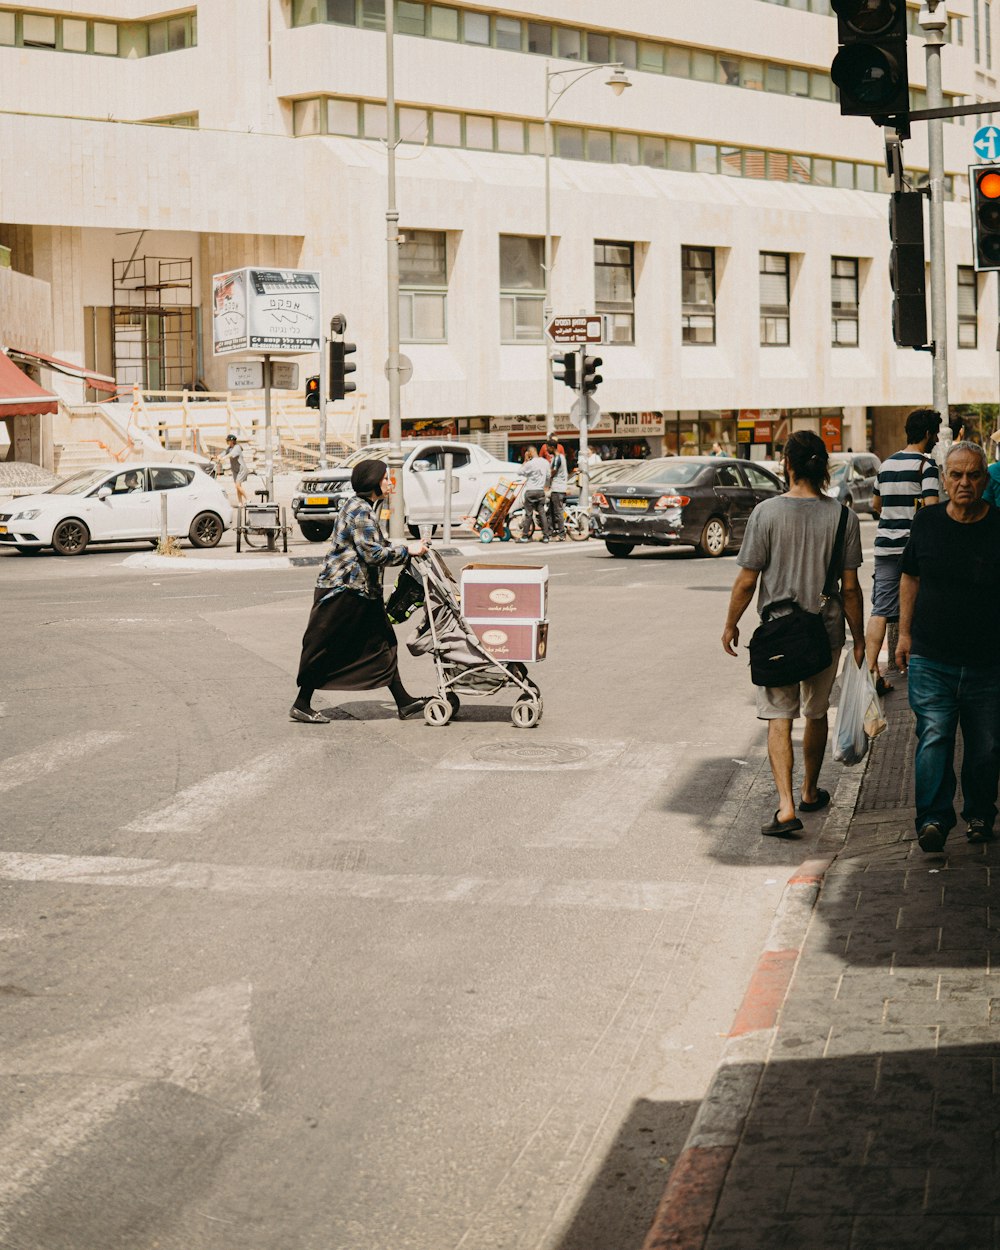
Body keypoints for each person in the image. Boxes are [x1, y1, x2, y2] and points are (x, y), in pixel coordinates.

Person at [722, 430, 865, 837]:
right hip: (826, 631)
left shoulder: (765, 514)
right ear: (824, 468)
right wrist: (860, 639)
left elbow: (747, 582)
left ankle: (786, 808)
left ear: (787, 464)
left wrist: (731, 623)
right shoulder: (843, 517)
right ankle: (809, 789)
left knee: (779, 718)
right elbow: (851, 588)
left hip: (779, 634)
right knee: (816, 711)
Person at [896, 441, 1000, 851]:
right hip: (930, 656)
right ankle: (933, 819)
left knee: (987, 745)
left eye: (973, 475)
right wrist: (903, 635)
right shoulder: (927, 523)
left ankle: (978, 813)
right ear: (944, 478)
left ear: (984, 479)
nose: (964, 483)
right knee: (934, 737)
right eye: (956, 475)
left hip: (988, 660)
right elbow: (910, 578)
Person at [291, 459, 429, 724]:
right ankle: (301, 703)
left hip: (362, 591)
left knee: (383, 642)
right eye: (386, 478)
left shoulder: (362, 507)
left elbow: (375, 544)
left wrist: (407, 547)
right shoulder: (360, 510)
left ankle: (404, 702)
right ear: (373, 482)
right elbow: (372, 553)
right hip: (343, 591)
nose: (390, 482)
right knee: (326, 645)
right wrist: (406, 551)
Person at [864, 409, 941, 697]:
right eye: (934, 434)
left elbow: (875, 504)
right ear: (927, 434)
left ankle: (872, 670)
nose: (934, 440)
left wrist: (895, 513)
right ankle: (920, 669)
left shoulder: (886, 464)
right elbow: (932, 510)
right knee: (921, 605)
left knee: (881, 609)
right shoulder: (927, 466)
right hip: (913, 549)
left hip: (885, 546)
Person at [518, 446, 550, 543]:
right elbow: (548, 476)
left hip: (530, 491)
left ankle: (524, 536)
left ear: (530, 453)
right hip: (540, 491)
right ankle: (546, 536)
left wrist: (525, 460)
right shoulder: (545, 462)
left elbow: (519, 472)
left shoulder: (529, 464)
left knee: (529, 514)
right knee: (542, 513)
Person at [544, 436, 569, 540]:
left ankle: (562, 533)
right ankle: (551, 532)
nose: (546, 450)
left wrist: (547, 480)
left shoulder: (558, 457)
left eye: (547, 447)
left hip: (558, 488)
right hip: (556, 487)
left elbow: (553, 472)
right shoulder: (558, 457)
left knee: (558, 512)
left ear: (552, 447)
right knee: (550, 512)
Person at [216, 433, 250, 506]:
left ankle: (248, 499)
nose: (227, 442)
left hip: (241, 469)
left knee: (237, 485)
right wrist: (218, 456)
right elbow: (224, 453)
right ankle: (240, 502)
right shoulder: (229, 448)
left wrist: (223, 458)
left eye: (228, 440)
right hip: (235, 469)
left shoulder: (237, 447)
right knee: (238, 486)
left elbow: (231, 454)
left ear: (232, 441)